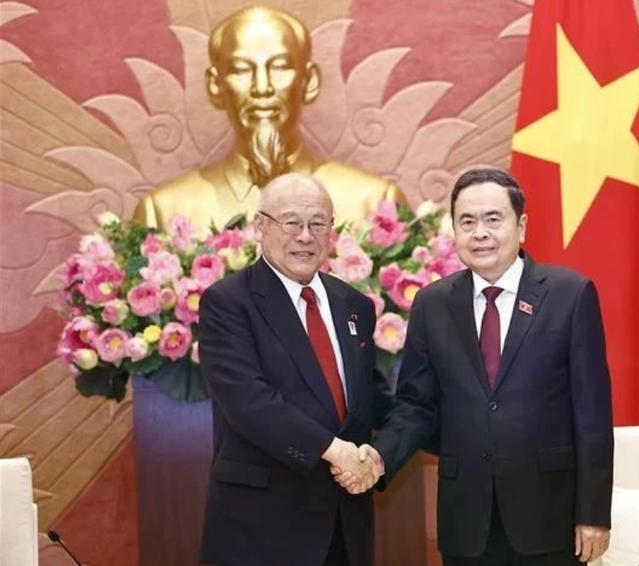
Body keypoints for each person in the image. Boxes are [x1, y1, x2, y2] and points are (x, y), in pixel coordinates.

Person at [339, 168, 614, 565]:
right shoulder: (432, 304)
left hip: (549, 517)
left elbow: (592, 415)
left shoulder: (569, 295)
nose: (479, 232)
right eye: (467, 222)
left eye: (492, 219)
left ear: (521, 227)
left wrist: (593, 515)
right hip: (466, 521)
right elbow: (416, 404)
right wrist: (381, 458)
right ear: (454, 231)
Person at [198, 172, 388, 566]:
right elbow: (249, 402)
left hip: (344, 527)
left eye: (318, 223)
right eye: (291, 222)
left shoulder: (354, 305)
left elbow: (371, 398)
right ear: (259, 227)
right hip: (261, 529)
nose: (305, 236)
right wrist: (336, 451)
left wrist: (383, 453)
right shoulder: (228, 303)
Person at [134, 6, 403, 234]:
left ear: (308, 82)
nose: (261, 88)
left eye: (279, 68)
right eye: (240, 70)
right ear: (215, 85)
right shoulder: (162, 212)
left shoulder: (375, 204)